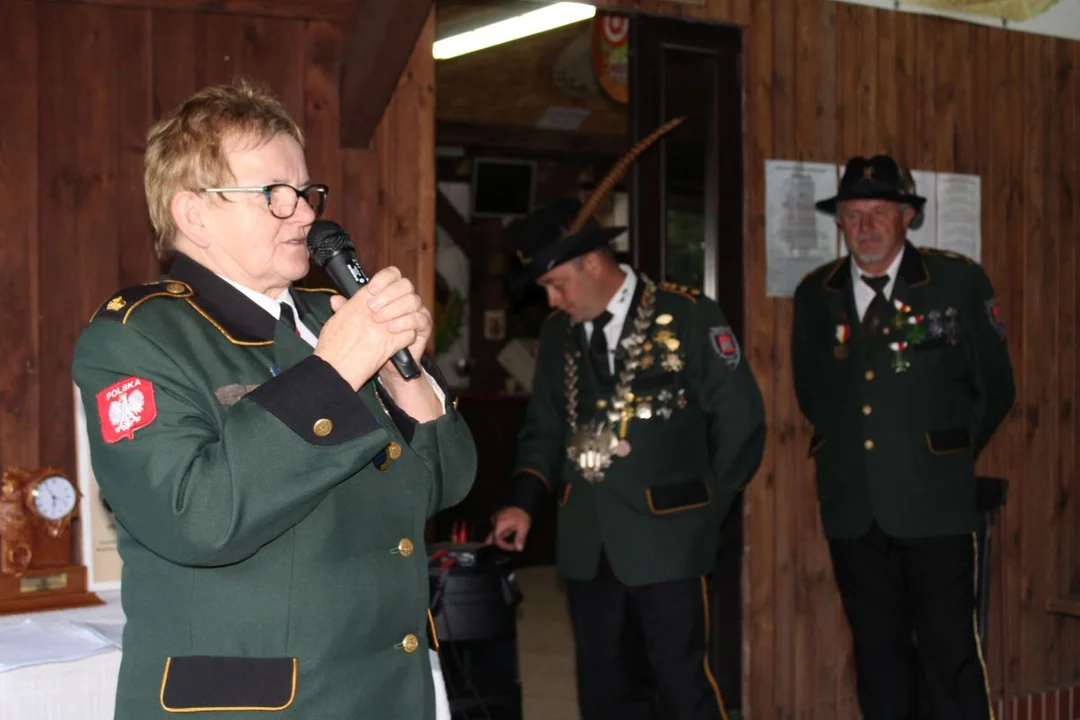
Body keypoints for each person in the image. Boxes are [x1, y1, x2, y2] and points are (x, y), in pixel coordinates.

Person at [71, 80, 476, 720]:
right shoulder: (138, 337)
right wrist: (336, 368)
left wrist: (406, 379)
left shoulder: (330, 316)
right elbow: (196, 518)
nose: (307, 215)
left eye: (306, 193)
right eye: (274, 196)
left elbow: (446, 485)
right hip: (259, 703)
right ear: (193, 214)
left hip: (383, 689)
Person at [488, 124, 766, 720]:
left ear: (591, 262)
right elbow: (543, 428)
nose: (553, 302)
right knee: (604, 691)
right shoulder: (559, 335)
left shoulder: (688, 316)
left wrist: (704, 512)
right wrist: (521, 503)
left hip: (670, 536)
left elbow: (742, 423)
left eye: (557, 286)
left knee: (681, 684)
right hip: (589, 542)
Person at [792, 154, 1015, 720]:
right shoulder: (815, 294)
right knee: (877, 654)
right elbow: (814, 391)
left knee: (949, 653)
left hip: (933, 504)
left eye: (880, 212)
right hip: (852, 506)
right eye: (853, 213)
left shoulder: (957, 281)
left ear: (907, 218)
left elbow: (994, 387)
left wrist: (942, 454)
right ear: (839, 222)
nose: (866, 225)